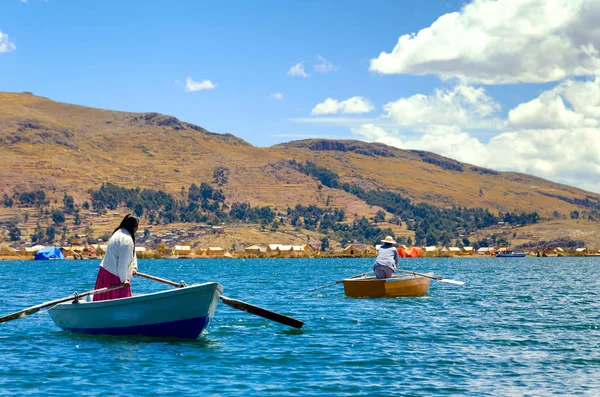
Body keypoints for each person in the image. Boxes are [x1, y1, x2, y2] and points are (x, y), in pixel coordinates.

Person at [93, 214, 139, 301]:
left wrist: (134, 266)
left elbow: (132, 252)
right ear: (134, 227)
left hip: (105, 272)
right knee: (122, 303)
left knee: (104, 301)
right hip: (115, 277)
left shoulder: (118, 233)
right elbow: (122, 263)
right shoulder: (126, 239)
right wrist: (123, 280)